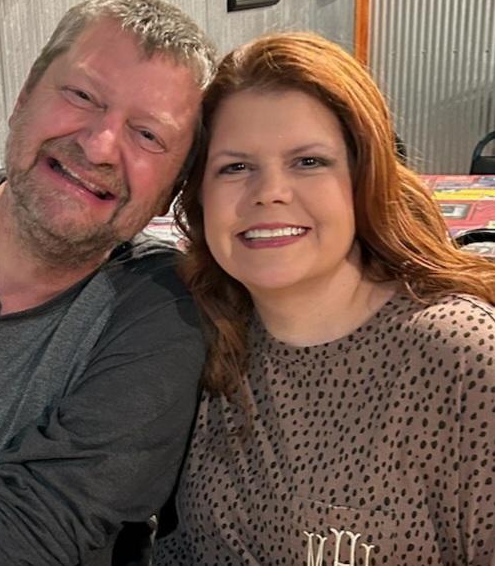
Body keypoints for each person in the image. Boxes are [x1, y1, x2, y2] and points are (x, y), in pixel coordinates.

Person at [0, 0, 217, 566]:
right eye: (82, 96)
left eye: (148, 135)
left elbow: (25, 549)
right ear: (24, 96)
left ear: (173, 190)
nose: (99, 146)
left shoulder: (160, 313)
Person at [154, 32, 495, 565]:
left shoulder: (464, 356)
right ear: (200, 198)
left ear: (364, 179)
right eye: (235, 167)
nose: (270, 192)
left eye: (308, 161)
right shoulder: (198, 333)